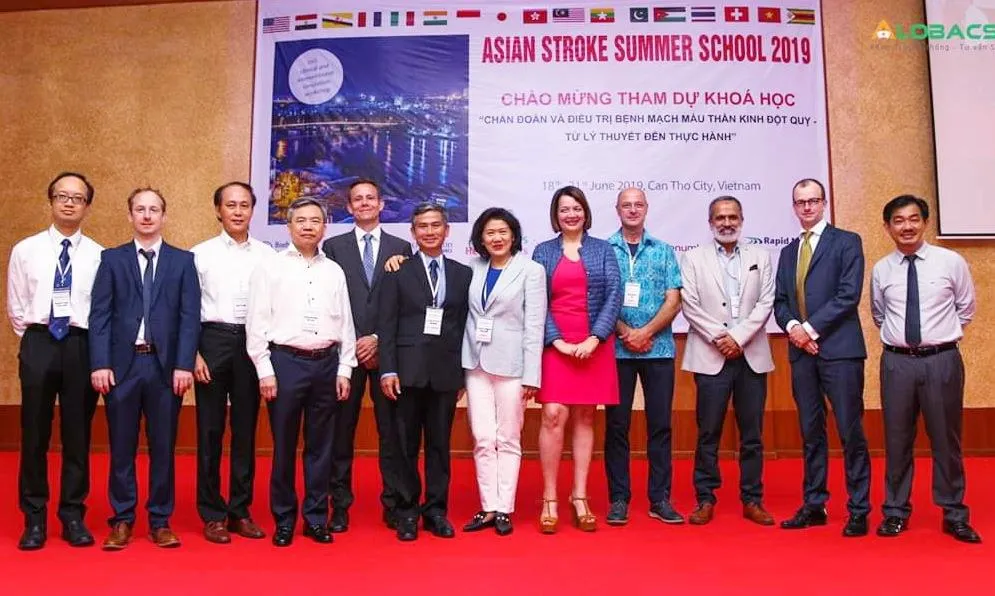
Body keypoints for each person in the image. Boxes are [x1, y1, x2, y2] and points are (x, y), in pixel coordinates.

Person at [89, 187, 201, 550]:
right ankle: (122, 519)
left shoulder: (183, 261)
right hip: (122, 367)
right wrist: (100, 362)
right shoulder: (112, 259)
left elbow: (189, 318)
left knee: (163, 447)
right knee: (121, 446)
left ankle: (160, 520)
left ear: (164, 216)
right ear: (130, 215)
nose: (147, 215)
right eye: (140, 209)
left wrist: (184, 364)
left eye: (154, 209)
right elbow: (99, 316)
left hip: (164, 368)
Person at [246, 197, 357, 547]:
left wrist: (345, 368)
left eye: (315, 221)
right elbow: (256, 321)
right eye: (301, 220)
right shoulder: (270, 267)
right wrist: (264, 369)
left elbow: (346, 322)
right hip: (285, 363)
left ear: (325, 227)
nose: (308, 226)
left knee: (321, 447)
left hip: (326, 364)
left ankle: (315, 518)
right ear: (289, 226)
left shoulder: (334, 270)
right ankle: (284, 519)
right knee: (284, 446)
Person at [871, 195, 981, 544]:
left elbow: (966, 308)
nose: (907, 226)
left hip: (941, 361)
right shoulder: (881, 269)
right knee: (897, 439)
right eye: (899, 221)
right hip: (897, 363)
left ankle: (954, 514)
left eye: (914, 219)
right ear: (887, 227)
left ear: (925, 222)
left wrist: (937, 339)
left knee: (946, 439)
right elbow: (879, 314)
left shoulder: (951, 262)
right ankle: (895, 511)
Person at [6, 172, 103, 550]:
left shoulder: (99, 255)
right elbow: (16, 305)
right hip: (40, 342)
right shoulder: (25, 250)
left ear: (87, 206)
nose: (69, 203)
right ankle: (34, 517)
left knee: (78, 434)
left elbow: (101, 310)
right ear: (51, 201)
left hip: (81, 344)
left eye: (77, 198)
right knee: (34, 432)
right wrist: (35, 339)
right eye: (62, 196)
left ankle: (72, 514)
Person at [773, 178, 871, 537]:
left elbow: (848, 295)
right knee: (810, 432)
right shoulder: (788, 251)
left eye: (813, 201)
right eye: (800, 202)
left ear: (824, 203)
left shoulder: (847, 242)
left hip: (840, 352)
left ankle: (859, 509)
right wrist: (794, 328)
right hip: (802, 357)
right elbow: (780, 302)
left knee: (850, 431)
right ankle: (814, 504)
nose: (807, 207)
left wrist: (809, 330)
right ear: (794, 207)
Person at [321, 179, 412, 533]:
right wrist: (356, 340)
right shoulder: (333, 247)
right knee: (340, 433)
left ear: (381, 204)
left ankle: (394, 503)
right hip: (346, 353)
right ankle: (339, 505)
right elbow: (330, 300)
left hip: (387, 353)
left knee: (392, 433)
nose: (364, 204)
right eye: (357, 199)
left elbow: (405, 303)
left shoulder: (401, 247)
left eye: (370, 198)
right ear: (349, 207)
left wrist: (377, 339)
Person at [378, 203, 471, 542]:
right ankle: (406, 511)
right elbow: (386, 325)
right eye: (422, 226)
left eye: (435, 225)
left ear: (447, 230)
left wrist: (462, 374)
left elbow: (463, 327)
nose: (429, 232)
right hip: (406, 372)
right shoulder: (397, 271)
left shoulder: (462, 274)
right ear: (413, 232)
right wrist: (387, 369)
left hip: (445, 373)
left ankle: (435, 511)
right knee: (404, 445)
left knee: (439, 446)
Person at [681, 196, 776, 526]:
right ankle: (705, 498)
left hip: (751, 356)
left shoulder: (760, 256)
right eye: (720, 218)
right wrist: (721, 337)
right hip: (711, 354)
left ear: (741, 220)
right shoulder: (693, 258)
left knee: (752, 434)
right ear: (710, 223)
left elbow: (766, 302)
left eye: (732, 217)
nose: (726, 223)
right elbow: (690, 305)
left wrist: (738, 337)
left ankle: (752, 499)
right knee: (708, 432)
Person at [532, 185, 621, 533]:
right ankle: (550, 498)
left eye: (576, 208)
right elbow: (537, 301)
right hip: (556, 345)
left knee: (585, 416)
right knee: (553, 415)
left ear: (585, 212)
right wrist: (557, 342)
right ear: (556, 216)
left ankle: (580, 496)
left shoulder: (603, 249)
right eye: (564, 209)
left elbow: (614, 294)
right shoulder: (543, 251)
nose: (571, 214)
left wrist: (595, 338)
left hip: (594, 344)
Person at [190, 182, 275, 544]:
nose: (238, 211)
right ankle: (212, 513)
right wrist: (192, 353)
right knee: (210, 431)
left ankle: (240, 510)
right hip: (211, 341)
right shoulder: (199, 254)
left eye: (244, 205)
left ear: (252, 211)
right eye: (230, 205)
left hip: (252, 343)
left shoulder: (268, 255)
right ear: (218, 210)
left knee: (245, 430)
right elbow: (186, 310)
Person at [461, 208, 547, 536]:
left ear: (513, 236)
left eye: (502, 232)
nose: (496, 238)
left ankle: (504, 509)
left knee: (508, 437)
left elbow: (535, 325)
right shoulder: (472, 268)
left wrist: (532, 376)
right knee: (483, 437)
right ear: (480, 239)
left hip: (513, 366)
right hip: (475, 364)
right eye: (490, 233)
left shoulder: (531, 271)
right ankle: (488, 506)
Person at [604, 188, 683, 526]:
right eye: (627, 205)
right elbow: (601, 299)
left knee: (660, 424)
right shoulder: (604, 250)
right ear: (617, 209)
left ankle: (660, 498)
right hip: (616, 351)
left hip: (658, 349)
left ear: (647, 209)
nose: (633, 210)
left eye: (638, 205)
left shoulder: (664, 250)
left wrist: (646, 332)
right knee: (616, 426)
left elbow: (674, 300)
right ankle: (619, 498)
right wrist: (626, 332)